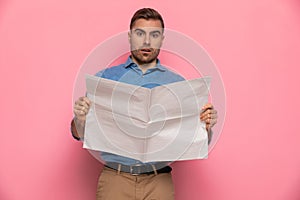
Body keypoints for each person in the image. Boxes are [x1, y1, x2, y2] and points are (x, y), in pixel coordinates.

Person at [71, 8, 218, 200]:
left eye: (154, 35)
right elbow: (78, 134)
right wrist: (80, 119)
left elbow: (196, 140)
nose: (147, 41)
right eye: (140, 34)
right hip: (115, 179)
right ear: (130, 36)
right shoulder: (104, 79)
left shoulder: (180, 84)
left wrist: (206, 127)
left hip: (159, 181)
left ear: (162, 39)